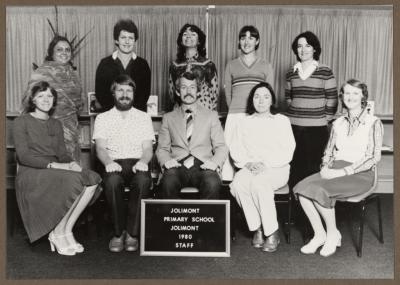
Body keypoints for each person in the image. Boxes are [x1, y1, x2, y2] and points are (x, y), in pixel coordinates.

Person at [293, 79, 383, 257]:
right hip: (335, 168)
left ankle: (333, 234)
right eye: (347, 93)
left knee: (320, 190)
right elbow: (329, 151)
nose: (351, 97)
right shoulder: (337, 123)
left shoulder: (373, 122)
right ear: (342, 96)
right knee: (301, 189)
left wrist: (343, 172)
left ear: (363, 96)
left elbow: (373, 157)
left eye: (355, 93)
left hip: (361, 174)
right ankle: (320, 235)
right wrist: (325, 166)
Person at [13, 81, 101, 256]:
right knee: (75, 180)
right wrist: (54, 165)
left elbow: (62, 154)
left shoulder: (56, 124)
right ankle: (58, 234)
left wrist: (73, 164)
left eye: (49, 96)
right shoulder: (20, 122)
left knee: (92, 178)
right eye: (41, 96)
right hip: (32, 171)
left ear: (54, 100)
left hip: (55, 168)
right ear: (33, 100)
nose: (46, 99)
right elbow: (23, 156)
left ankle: (64, 230)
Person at [229, 82, 295, 252]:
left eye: (266, 97)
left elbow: (288, 150)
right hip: (250, 167)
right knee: (237, 184)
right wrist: (247, 163)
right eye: (257, 97)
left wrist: (265, 164)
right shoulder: (244, 122)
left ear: (272, 99)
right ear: (252, 100)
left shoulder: (282, 121)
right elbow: (236, 148)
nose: (261, 101)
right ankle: (257, 227)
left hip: (276, 168)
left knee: (259, 184)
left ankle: (272, 231)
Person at [93, 74, 155, 252]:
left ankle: (132, 234)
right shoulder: (102, 118)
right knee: (112, 182)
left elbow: (148, 149)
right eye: (120, 90)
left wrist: (143, 161)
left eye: (129, 90)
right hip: (114, 162)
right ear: (113, 93)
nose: (125, 94)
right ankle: (118, 233)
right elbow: (101, 149)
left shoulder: (144, 117)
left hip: (137, 162)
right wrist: (108, 162)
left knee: (143, 181)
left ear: (134, 94)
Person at [157, 71, 228, 199]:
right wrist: (166, 161)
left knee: (212, 182)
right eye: (184, 88)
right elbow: (162, 149)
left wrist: (214, 163)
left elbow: (221, 147)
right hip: (177, 165)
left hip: (203, 165)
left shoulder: (211, 116)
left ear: (198, 92)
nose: (188, 91)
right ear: (178, 92)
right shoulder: (168, 118)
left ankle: (205, 219)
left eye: (192, 87)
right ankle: (174, 219)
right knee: (168, 182)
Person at [285, 31, 338, 189]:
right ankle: (296, 208)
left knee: (313, 169)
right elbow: (288, 98)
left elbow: (332, 98)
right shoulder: (291, 72)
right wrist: (296, 114)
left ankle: (311, 209)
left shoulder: (325, 71)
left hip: (317, 128)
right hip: (294, 127)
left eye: (308, 45)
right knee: (295, 168)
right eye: (299, 46)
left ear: (315, 49)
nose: (303, 50)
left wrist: (324, 118)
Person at [222, 25, 274, 181]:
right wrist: (235, 109)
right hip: (235, 115)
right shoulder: (231, 65)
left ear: (257, 41)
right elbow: (228, 94)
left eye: (251, 38)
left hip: (256, 116)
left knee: (253, 154)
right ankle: (228, 189)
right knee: (230, 154)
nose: (247, 41)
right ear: (239, 41)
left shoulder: (266, 65)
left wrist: (256, 112)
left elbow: (269, 93)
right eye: (243, 37)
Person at [22, 35, 83, 162]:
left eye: (67, 50)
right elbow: (29, 100)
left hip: (70, 128)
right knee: (51, 167)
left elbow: (79, 103)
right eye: (59, 49)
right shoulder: (42, 72)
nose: (64, 53)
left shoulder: (73, 75)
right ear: (51, 53)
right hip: (47, 128)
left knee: (70, 169)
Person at [95, 19, 151, 112]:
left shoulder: (143, 65)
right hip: (111, 116)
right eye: (123, 37)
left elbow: (144, 95)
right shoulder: (104, 64)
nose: (127, 42)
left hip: (135, 116)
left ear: (135, 41)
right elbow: (101, 94)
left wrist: (129, 114)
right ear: (116, 40)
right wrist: (116, 113)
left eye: (131, 38)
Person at [168, 23, 219, 111]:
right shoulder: (174, 65)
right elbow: (172, 93)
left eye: (193, 34)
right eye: (185, 34)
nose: (188, 36)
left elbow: (214, 94)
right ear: (181, 40)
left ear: (199, 41)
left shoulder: (208, 64)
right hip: (180, 112)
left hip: (203, 111)